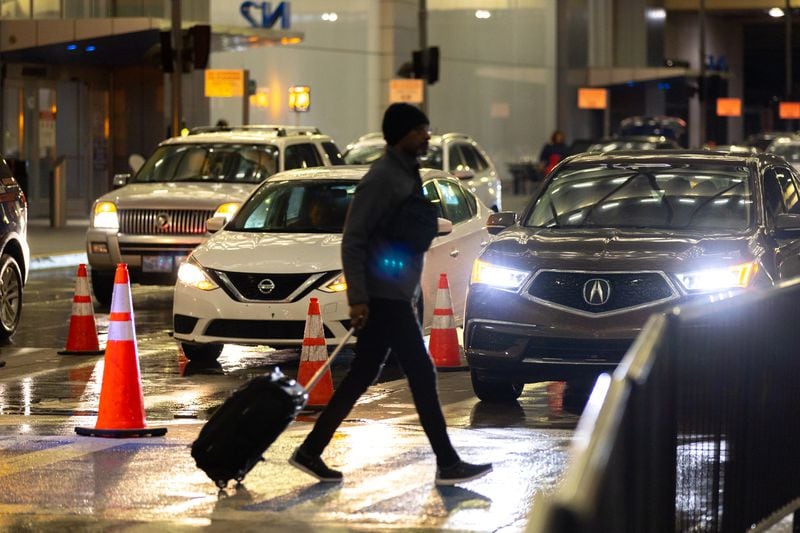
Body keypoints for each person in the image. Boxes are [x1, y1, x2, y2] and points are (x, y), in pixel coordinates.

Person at [289, 103, 493, 486]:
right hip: (384, 297)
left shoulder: (405, 173)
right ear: (402, 134)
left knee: (362, 375)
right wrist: (359, 298)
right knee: (420, 371)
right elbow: (353, 240)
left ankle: (310, 450)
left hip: (397, 292)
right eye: (420, 130)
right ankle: (447, 462)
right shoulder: (382, 179)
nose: (427, 136)